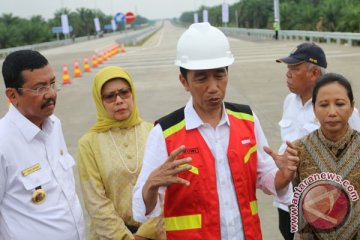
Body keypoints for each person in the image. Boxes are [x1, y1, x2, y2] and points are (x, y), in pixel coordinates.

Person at [132, 22, 299, 240]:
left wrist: (283, 177)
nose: (213, 87)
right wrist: (151, 185)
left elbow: (265, 177)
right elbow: (140, 209)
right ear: (184, 81)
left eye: (219, 75)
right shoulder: (165, 133)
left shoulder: (247, 120)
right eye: (201, 78)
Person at [275, 42, 360, 240]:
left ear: (314, 73)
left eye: (295, 69)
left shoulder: (346, 112)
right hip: (288, 203)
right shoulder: (289, 101)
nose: (288, 74)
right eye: (288, 69)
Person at [0, 50, 85, 239]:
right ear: (13, 95)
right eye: (39, 88)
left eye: (53, 83)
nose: (51, 93)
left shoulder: (55, 125)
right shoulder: (3, 142)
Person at [77, 66, 164, 240]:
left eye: (124, 92)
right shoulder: (88, 143)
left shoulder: (154, 132)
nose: (119, 100)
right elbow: (95, 202)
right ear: (99, 101)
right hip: (108, 236)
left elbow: (165, 192)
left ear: (132, 94)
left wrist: (146, 234)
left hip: (155, 234)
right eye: (110, 96)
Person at [291, 73, 359, 240]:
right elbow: (298, 209)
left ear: (352, 106)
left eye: (340, 104)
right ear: (314, 108)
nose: (332, 112)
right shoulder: (298, 149)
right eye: (323, 105)